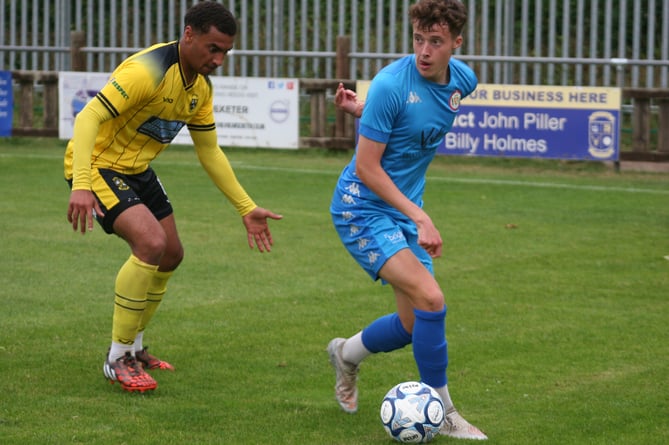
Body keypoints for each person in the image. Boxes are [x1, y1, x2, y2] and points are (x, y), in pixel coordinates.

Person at [64, 1, 282, 393]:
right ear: (188, 35)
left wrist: (246, 208)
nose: (218, 59)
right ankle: (118, 358)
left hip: (135, 169)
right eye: (213, 48)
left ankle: (136, 346)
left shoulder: (200, 89)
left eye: (225, 52)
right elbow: (87, 118)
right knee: (151, 242)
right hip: (96, 165)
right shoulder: (147, 71)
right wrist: (81, 183)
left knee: (171, 253)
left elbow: (209, 151)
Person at [327, 0, 486, 440]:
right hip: (361, 207)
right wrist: (420, 215)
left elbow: (414, 122)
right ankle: (447, 412)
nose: (425, 51)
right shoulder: (390, 84)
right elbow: (366, 168)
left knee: (415, 324)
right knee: (432, 299)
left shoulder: (464, 80)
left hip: (401, 210)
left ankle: (346, 354)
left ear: (457, 43)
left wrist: (366, 113)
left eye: (436, 41)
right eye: (419, 39)